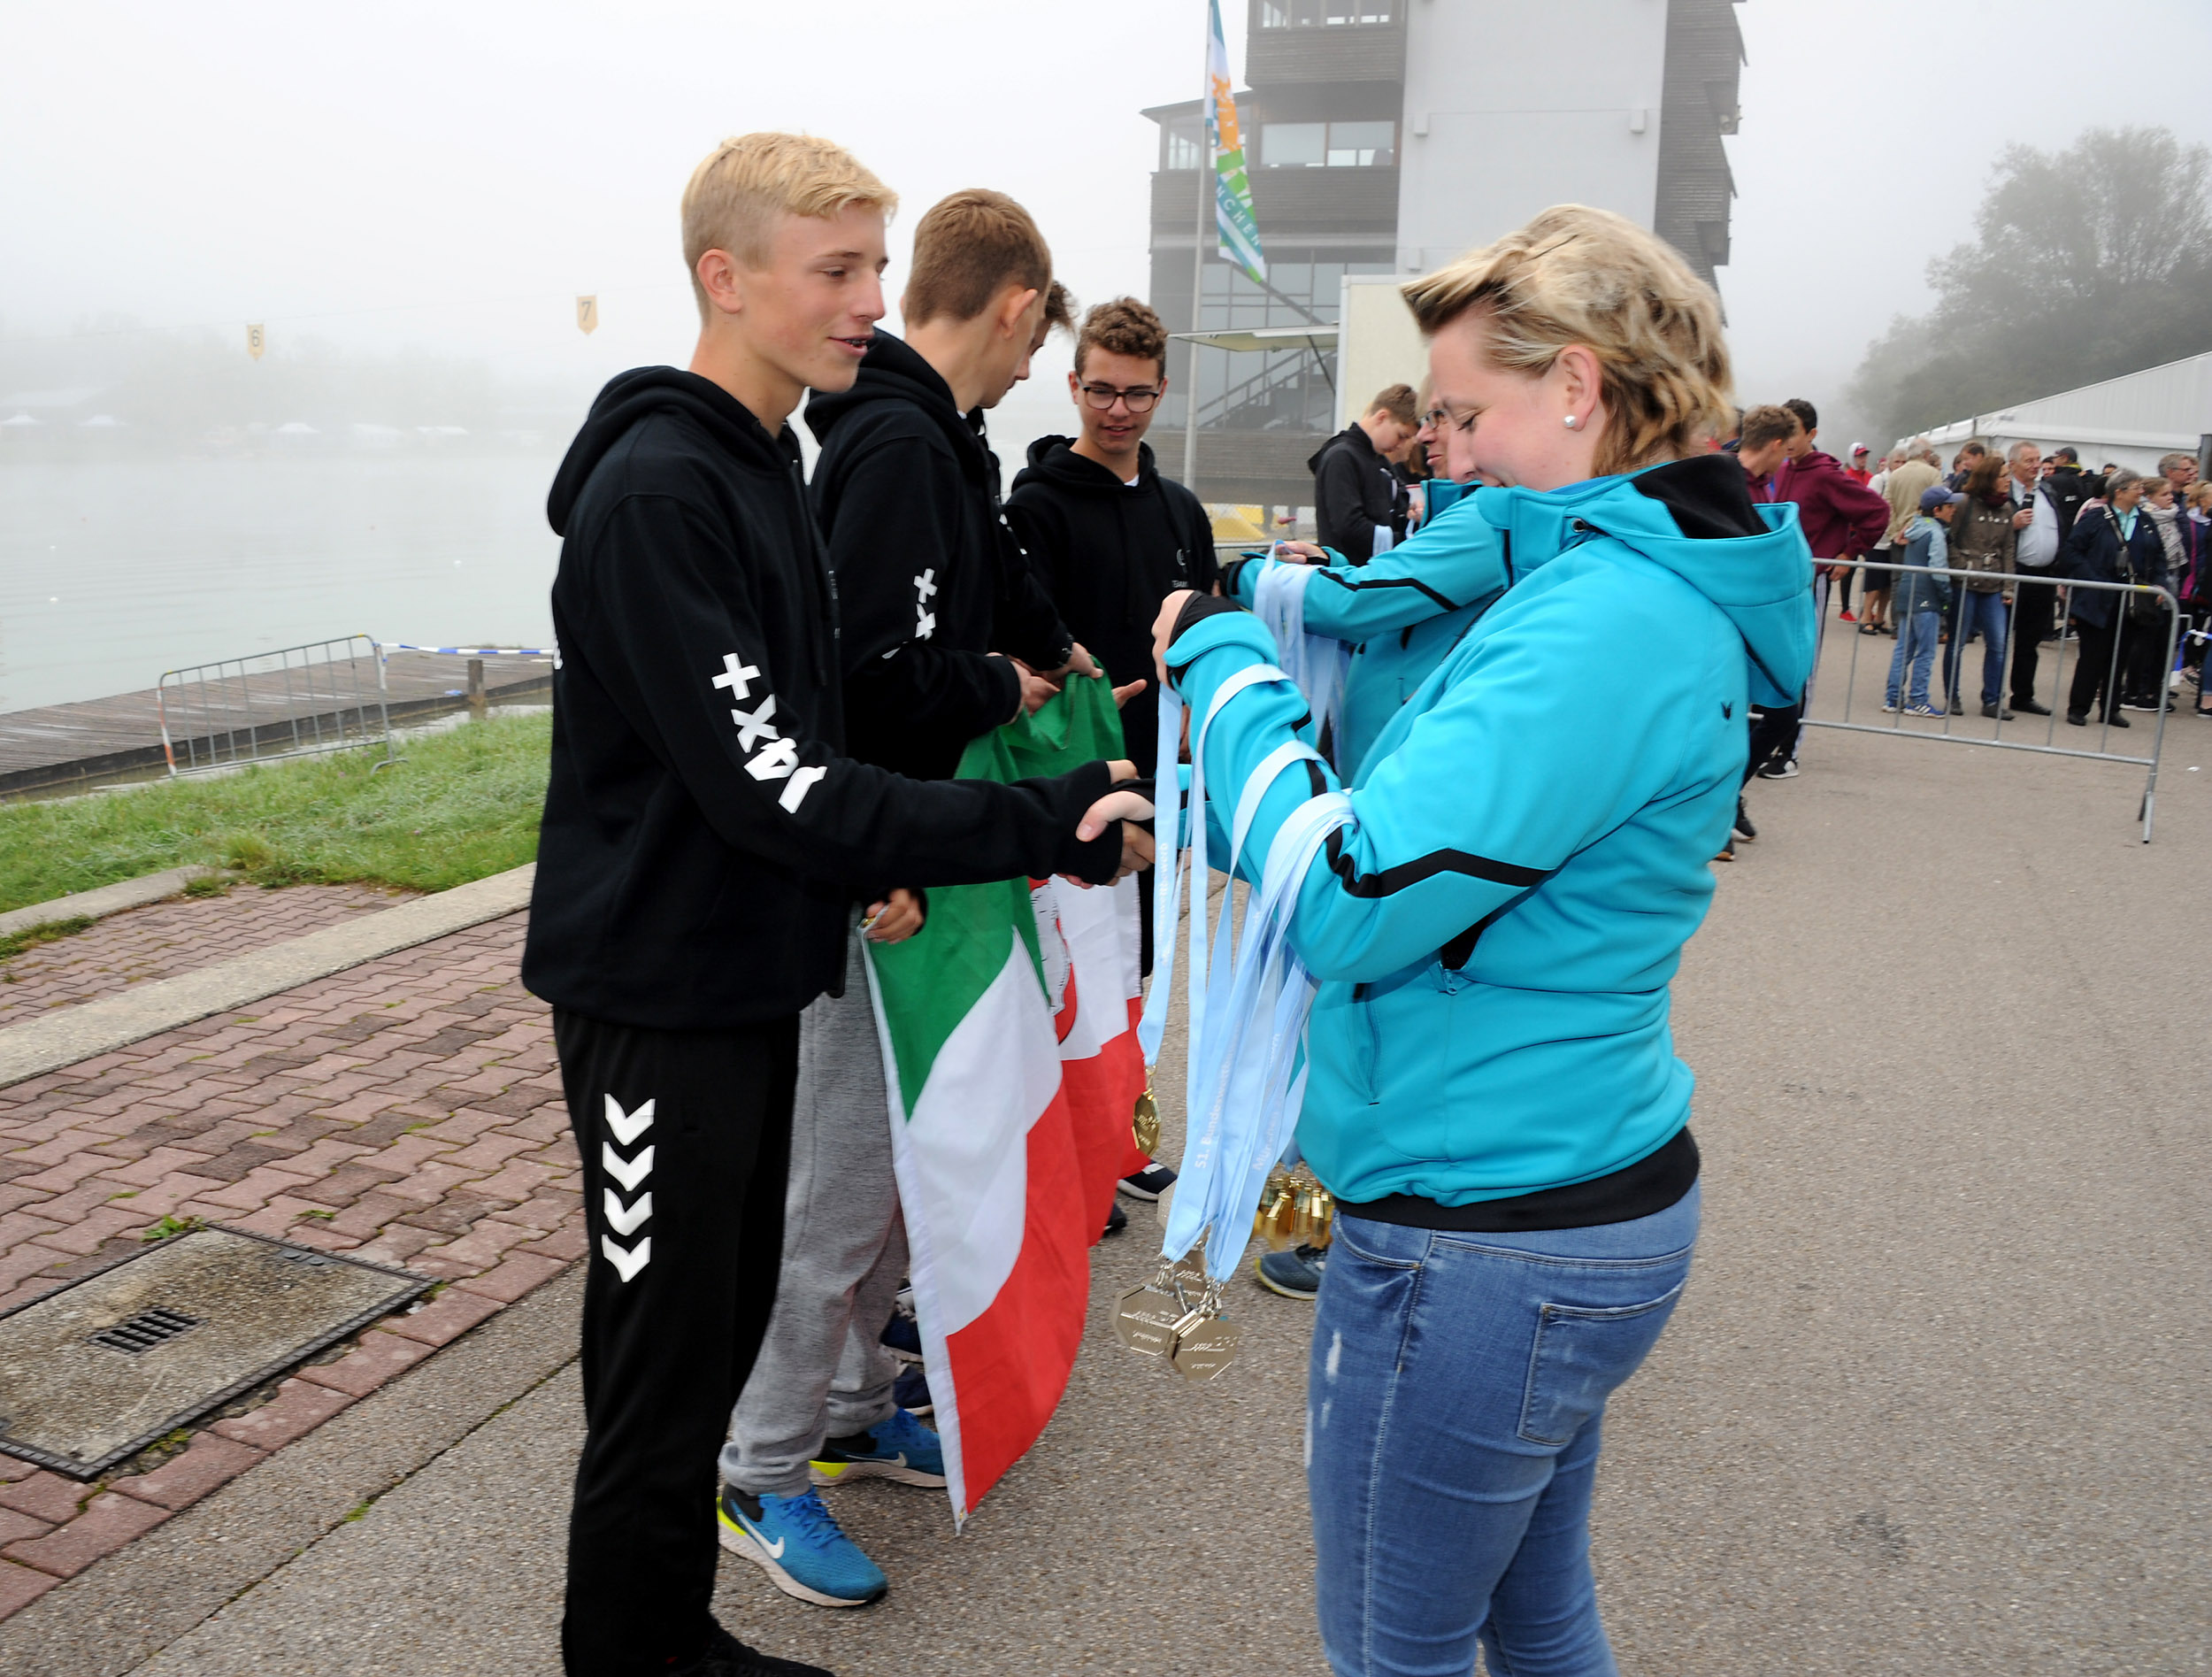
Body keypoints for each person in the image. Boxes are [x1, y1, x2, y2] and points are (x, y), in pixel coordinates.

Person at [1148, 204, 1813, 1677]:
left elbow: (1354, 901)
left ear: (1577, 387)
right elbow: (1421, 818)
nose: (1442, 449)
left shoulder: (1608, 622)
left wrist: (1220, 664)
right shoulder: (1602, 586)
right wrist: (1213, 797)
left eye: (1465, 411)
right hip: (1555, 1201)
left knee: (1398, 1644)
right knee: (1531, 1611)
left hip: (1486, 1233)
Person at [526, 133, 1149, 1677]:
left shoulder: (775, 457)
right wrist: (1037, 823)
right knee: (661, 1360)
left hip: (751, 972)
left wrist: (870, 860)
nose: (873, 298)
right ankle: (629, 1650)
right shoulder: (662, 489)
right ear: (724, 280)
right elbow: (771, 779)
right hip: (653, 1000)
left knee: (722, 1324)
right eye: (838, 269)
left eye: (877, 264)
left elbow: (804, 741)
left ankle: (668, 1626)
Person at [708, 186, 1132, 1612]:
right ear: (1019, 310)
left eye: (884, 271)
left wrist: (1054, 651)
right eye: (1036, 351)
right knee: (836, 1191)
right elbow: (872, 678)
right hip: (866, 874)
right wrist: (1003, 687)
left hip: (913, 857)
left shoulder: (935, 444)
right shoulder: (893, 445)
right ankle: (754, 1468)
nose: (1029, 374)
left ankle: (834, 1410)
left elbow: (987, 591)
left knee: (889, 1162)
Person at [1005, 295, 1217, 956]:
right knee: (1065, 974)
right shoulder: (1032, 508)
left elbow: (1206, 621)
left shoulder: (1182, 509)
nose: (1118, 410)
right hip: (1067, 779)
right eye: (1100, 391)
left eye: (1137, 394)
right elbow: (1018, 647)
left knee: (1137, 966)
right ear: (1073, 385)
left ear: (1163, 391)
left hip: (1157, 781)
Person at [1769, 397, 1890, 766]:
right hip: (1778, 584)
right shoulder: (1784, 469)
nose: (1787, 440)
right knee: (1775, 664)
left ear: (1812, 434)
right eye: (1783, 431)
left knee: (1803, 668)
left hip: (1811, 583)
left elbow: (1876, 511)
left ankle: (1789, 752)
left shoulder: (1825, 473)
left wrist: (1849, 552)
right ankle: (1767, 741)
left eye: (1794, 432)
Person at [1720, 403, 1804, 857]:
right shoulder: (1724, 479)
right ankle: (1711, 820)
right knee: (1730, 720)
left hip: (1755, 624)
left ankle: (1724, 801)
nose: (1786, 460)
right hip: (1729, 623)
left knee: (1782, 713)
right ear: (1774, 444)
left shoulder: (1761, 485)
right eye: (1786, 451)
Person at [2062, 466, 2169, 727]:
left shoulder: (2146, 520)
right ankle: (2079, 707)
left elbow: (2159, 557)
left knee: (2120, 655)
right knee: (2092, 655)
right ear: (2119, 492)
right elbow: (2071, 552)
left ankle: (2111, 708)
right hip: (2098, 598)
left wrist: (2158, 584)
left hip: (2130, 600)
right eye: (2137, 488)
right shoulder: (2096, 518)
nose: (2141, 492)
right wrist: (2093, 581)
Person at [1942, 453, 2018, 719]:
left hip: (1994, 585)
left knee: (1998, 643)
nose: (2008, 480)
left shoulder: (2007, 508)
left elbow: (2009, 548)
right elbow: (1948, 537)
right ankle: (1952, 696)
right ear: (1989, 478)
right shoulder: (1965, 504)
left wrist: (2009, 586)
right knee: (1957, 642)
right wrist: (1962, 566)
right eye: (2003, 476)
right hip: (1965, 583)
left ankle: (1993, 700)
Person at [1310, 384, 1418, 562]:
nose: (1402, 444)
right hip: (1348, 575)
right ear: (1382, 417)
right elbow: (1349, 527)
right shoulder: (1342, 457)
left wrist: (1410, 517)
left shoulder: (1378, 460)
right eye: (1402, 435)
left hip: (1370, 572)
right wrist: (1408, 543)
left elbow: (1390, 516)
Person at [1886, 486, 1958, 716]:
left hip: (1908, 591)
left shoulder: (1914, 527)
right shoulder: (1936, 533)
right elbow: (1938, 569)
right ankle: (1918, 699)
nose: (1953, 510)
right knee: (1926, 651)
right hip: (1927, 595)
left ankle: (1893, 697)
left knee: (1903, 648)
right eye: (1949, 507)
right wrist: (1946, 596)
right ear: (1936, 510)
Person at [2005, 442, 2063, 714]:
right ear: (2012, 465)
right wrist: (2011, 524)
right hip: (2013, 573)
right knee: (2000, 637)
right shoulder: (2004, 493)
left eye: (2038, 459)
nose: (2035, 465)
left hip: (2043, 577)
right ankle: (1992, 695)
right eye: (2029, 460)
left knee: (2030, 640)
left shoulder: (2047, 491)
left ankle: (2023, 695)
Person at [2133, 475, 2187, 709]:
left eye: (2170, 494)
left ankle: (2156, 689)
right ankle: (2138, 690)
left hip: (2172, 581)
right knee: (2147, 640)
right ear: (2150, 496)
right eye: (2164, 494)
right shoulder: (2146, 519)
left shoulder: (2173, 516)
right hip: (2153, 584)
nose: (2170, 498)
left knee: (2165, 640)